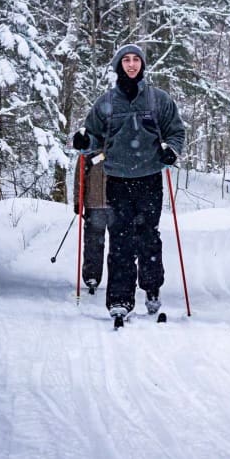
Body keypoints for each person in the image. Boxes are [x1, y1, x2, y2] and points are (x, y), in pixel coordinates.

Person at [72, 44, 185, 324]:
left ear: (142, 65)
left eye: (136, 60)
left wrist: (171, 149)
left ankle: (151, 288)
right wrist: (84, 142)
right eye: (126, 60)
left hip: (149, 177)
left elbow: (176, 131)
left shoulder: (158, 100)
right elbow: (92, 137)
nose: (132, 65)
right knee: (120, 238)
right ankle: (120, 299)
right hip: (118, 179)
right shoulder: (106, 102)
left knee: (148, 236)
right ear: (118, 66)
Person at [72, 151, 110, 295]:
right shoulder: (87, 152)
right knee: (93, 243)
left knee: (120, 247)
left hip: (117, 205)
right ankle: (92, 276)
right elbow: (79, 178)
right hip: (93, 205)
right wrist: (77, 201)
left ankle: (121, 279)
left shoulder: (118, 145)